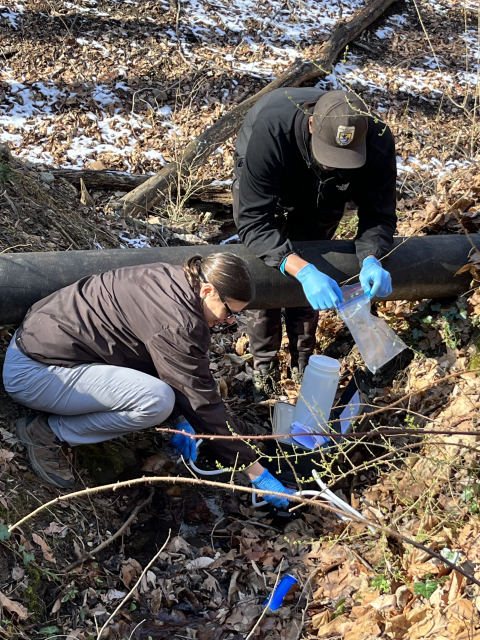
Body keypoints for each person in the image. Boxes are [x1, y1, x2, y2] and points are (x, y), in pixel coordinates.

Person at [2, 253, 292, 507]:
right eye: (230, 313)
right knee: (157, 401)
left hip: (46, 342)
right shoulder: (178, 320)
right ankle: (48, 432)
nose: (229, 322)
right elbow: (199, 399)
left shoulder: (173, 279)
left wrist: (182, 418)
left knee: (171, 398)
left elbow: (174, 364)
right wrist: (256, 473)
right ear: (207, 290)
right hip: (35, 371)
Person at [232, 88, 396, 401]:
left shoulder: (377, 139)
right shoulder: (271, 131)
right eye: (330, 156)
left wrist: (371, 257)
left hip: (327, 196)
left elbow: (380, 216)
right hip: (275, 179)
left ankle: (303, 363)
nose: (333, 165)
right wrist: (303, 271)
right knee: (269, 265)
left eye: (343, 159)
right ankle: (264, 367)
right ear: (310, 125)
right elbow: (255, 224)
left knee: (316, 255)